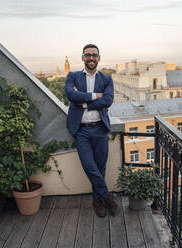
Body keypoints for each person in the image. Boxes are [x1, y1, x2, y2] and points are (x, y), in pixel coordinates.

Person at [65, 44, 117, 217]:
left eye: (94, 55)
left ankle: (97, 200)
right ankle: (107, 196)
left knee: (100, 167)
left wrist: (84, 102)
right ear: (82, 57)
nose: (91, 58)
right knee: (89, 166)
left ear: (99, 58)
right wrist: (96, 96)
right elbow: (71, 96)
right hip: (82, 132)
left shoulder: (106, 79)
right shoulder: (72, 76)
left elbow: (108, 100)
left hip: (100, 129)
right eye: (88, 55)